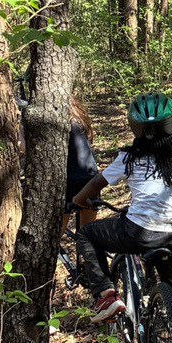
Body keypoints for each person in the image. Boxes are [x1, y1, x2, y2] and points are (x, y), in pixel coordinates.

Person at [72, 92, 172, 343]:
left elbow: (96, 185)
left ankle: (106, 295)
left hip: (136, 232)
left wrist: (78, 200)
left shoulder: (129, 157)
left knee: (87, 234)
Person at [63, 94, 99, 237]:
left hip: (68, 180)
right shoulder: (79, 117)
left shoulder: (58, 121)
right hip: (90, 178)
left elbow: (26, 148)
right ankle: (88, 259)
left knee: (54, 236)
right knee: (87, 235)